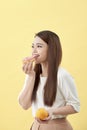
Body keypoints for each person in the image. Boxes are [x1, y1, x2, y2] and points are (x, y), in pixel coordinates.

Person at [18, 30, 80, 130]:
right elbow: (24, 105)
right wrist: (31, 77)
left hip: (57, 126)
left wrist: (52, 111)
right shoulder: (32, 74)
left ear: (51, 49)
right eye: (32, 46)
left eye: (39, 46)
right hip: (35, 126)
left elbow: (75, 106)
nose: (34, 51)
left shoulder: (62, 75)